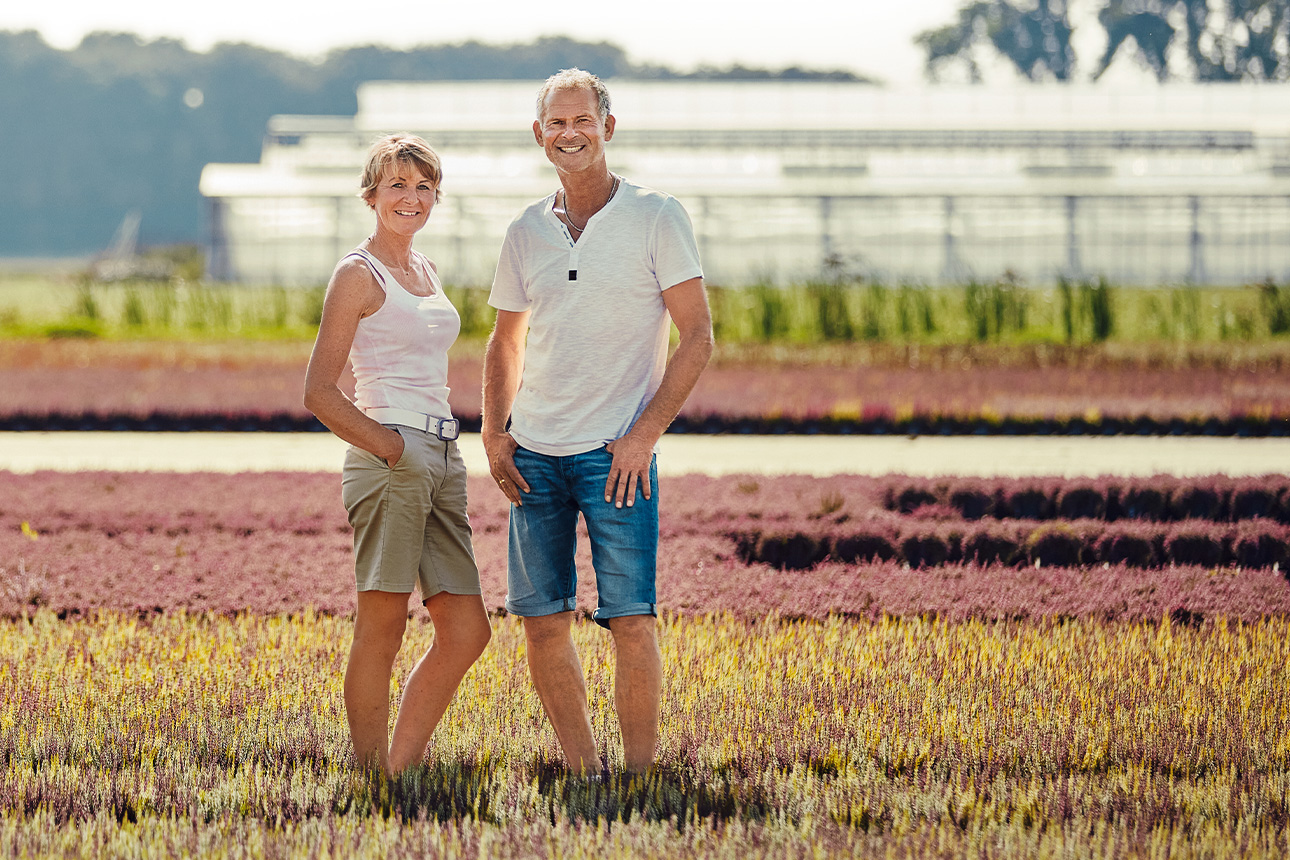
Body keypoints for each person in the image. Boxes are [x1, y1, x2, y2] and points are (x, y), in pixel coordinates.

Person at [482, 69, 714, 775]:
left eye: (582, 120)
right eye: (556, 123)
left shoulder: (656, 216)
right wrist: (495, 433)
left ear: (607, 128)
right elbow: (504, 340)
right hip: (536, 457)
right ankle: (585, 772)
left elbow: (698, 336)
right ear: (538, 134)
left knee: (632, 620)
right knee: (543, 623)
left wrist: (643, 437)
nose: (569, 134)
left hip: (617, 459)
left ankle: (640, 778)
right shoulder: (526, 229)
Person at [304, 134, 491, 776]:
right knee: (381, 627)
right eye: (398, 186)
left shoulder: (427, 269)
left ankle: (398, 769)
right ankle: (369, 775)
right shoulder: (359, 273)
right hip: (392, 455)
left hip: (443, 453)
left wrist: (429, 449)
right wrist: (392, 447)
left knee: (468, 630)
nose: (411, 198)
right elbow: (320, 391)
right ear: (371, 195)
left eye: (423, 188)